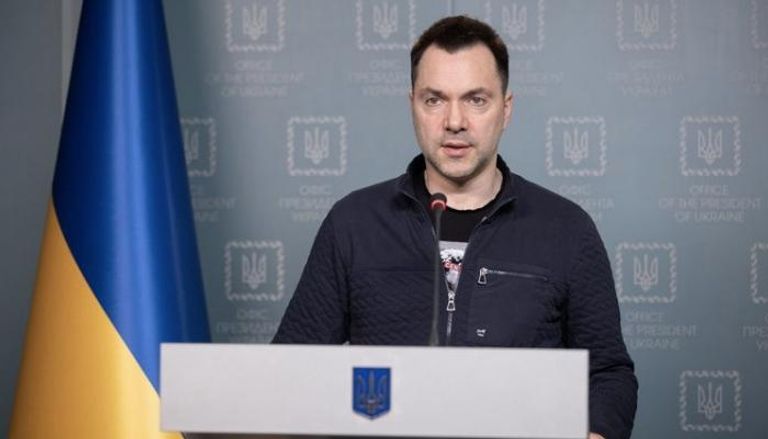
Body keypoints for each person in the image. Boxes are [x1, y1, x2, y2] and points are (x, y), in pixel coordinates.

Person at [273, 15, 637, 439]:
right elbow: (290, 370)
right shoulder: (353, 223)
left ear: (506, 109)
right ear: (412, 105)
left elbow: (608, 374)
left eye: (476, 100)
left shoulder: (567, 229)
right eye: (434, 100)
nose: (454, 121)